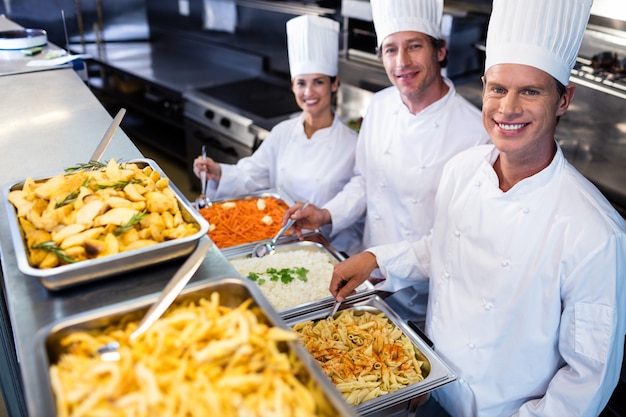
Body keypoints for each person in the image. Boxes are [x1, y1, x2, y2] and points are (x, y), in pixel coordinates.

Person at [329, 0, 626, 415]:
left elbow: (587, 379)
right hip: (431, 385)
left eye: (531, 91)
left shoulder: (596, 232)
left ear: (563, 100)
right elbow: (445, 248)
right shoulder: (461, 171)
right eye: (498, 89)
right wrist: (376, 259)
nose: (507, 108)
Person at [285, 0, 490, 307]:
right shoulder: (380, 105)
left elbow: (456, 240)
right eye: (391, 49)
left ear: (441, 50)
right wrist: (327, 214)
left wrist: (378, 260)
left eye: (414, 46)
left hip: (427, 296)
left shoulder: (476, 132)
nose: (401, 61)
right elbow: (364, 182)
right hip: (367, 279)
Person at [193, 15, 362, 254]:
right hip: (280, 239)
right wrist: (218, 172)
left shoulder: (353, 144)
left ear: (334, 84)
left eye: (318, 82)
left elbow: (358, 199)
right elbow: (252, 173)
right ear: (293, 86)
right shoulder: (283, 132)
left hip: (329, 247)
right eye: (301, 83)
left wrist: (325, 216)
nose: (309, 92)